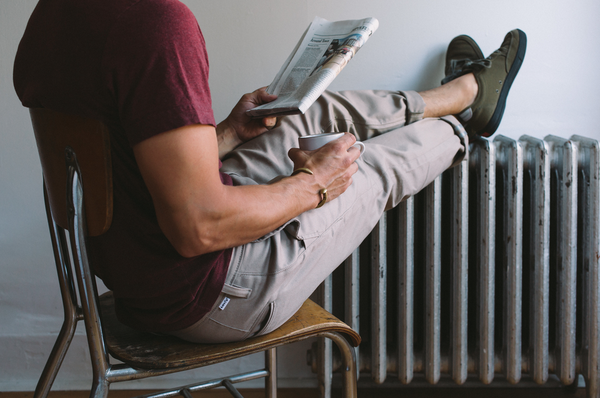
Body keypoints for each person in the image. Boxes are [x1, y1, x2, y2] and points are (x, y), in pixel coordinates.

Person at [14, 0, 526, 343]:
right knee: (372, 167)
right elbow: (199, 227)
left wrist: (231, 133)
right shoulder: (155, 25)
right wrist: (313, 185)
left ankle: (460, 94)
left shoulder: (51, 19)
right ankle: (463, 124)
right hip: (210, 293)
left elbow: (128, 170)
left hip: (140, 273)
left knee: (315, 113)